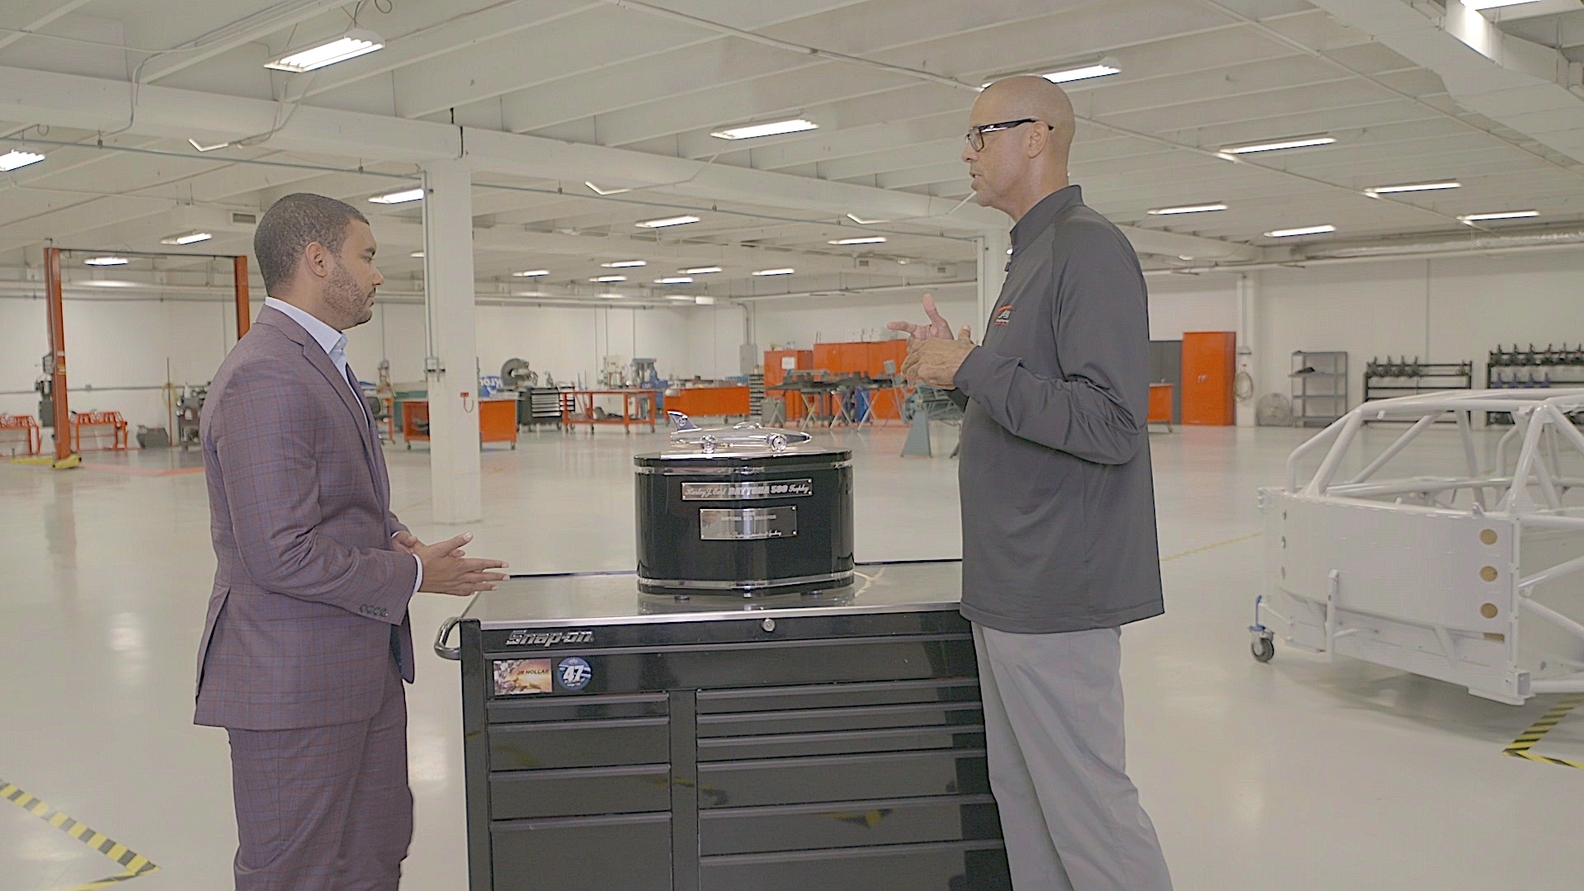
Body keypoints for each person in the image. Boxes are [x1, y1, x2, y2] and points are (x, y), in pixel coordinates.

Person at [889, 77, 1172, 891]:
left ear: (1036, 136)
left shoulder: (1087, 248)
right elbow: (1032, 404)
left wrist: (973, 366)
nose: (968, 153)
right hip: (1011, 583)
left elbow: (1110, 421)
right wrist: (960, 374)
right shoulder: (1032, 254)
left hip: (1057, 589)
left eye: (981, 134)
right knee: (1026, 800)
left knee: (1087, 812)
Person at [194, 193, 509, 891]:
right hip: (295, 684)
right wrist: (414, 576)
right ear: (317, 260)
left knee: (373, 853)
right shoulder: (266, 372)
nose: (377, 274)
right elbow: (278, 552)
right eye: (366, 256)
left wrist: (392, 535)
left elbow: (333, 497)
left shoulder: (319, 361)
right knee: (298, 873)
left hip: (358, 670)